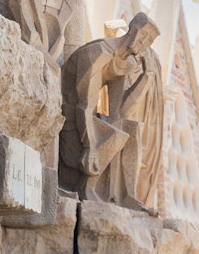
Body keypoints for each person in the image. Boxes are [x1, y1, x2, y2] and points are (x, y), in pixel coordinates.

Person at [59, 13, 164, 214]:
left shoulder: (127, 62)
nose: (143, 45)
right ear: (132, 31)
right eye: (142, 37)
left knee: (131, 129)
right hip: (68, 112)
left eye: (148, 42)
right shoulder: (99, 52)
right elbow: (85, 105)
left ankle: (127, 197)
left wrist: (147, 77)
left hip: (86, 114)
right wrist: (90, 146)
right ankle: (86, 188)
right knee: (112, 134)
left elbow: (121, 110)